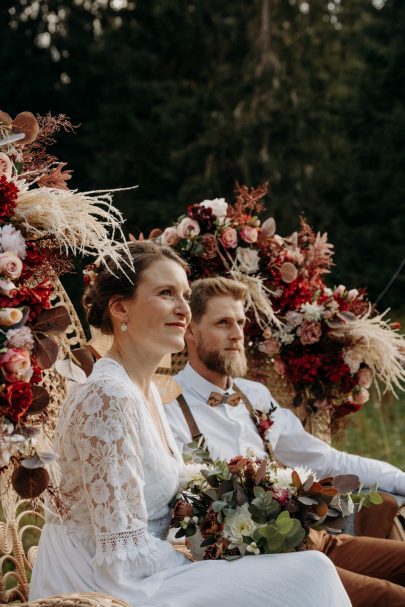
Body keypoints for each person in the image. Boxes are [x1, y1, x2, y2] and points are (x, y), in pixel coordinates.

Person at [29, 241, 350, 607]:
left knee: (306, 567)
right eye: (166, 293)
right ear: (120, 308)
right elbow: (121, 552)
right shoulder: (107, 396)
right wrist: (207, 560)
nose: (184, 309)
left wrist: (245, 515)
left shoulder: (145, 391)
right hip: (100, 585)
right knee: (310, 574)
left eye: (185, 295)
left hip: (143, 571)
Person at [164, 276, 405, 607]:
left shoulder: (255, 395)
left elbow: (329, 460)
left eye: (240, 322)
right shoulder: (168, 407)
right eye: (223, 323)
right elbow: (179, 507)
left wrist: (402, 481)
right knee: (391, 598)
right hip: (259, 563)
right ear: (190, 330)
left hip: (310, 538)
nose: (237, 334)